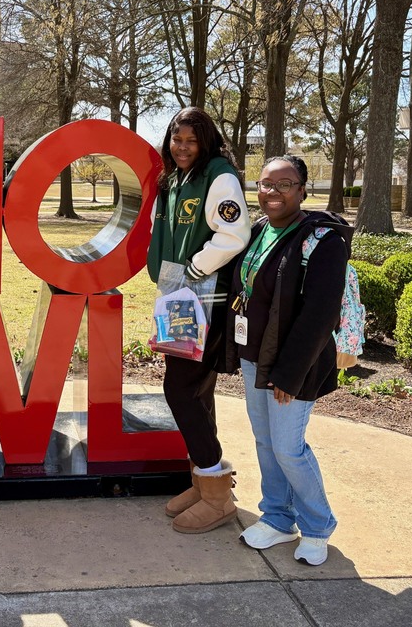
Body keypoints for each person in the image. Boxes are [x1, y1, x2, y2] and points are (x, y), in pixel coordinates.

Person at [230, 154, 350, 565]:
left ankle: (317, 526)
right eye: (265, 184)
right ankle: (278, 518)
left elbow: (319, 315)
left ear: (302, 189)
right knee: (266, 443)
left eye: (284, 184)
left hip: (294, 365)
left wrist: (290, 373)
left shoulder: (323, 240)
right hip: (254, 356)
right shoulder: (259, 230)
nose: (272, 192)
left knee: (288, 447)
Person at [147, 106, 251, 534]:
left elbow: (233, 234)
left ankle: (217, 494)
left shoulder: (219, 176)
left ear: (206, 140)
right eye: (176, 139)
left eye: (190, 140)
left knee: (181, 389)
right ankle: (205, 479)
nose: (182, 147)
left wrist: (194, 269)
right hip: (178, 294)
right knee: (196, 389)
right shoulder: (174, 179)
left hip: (204, 295)